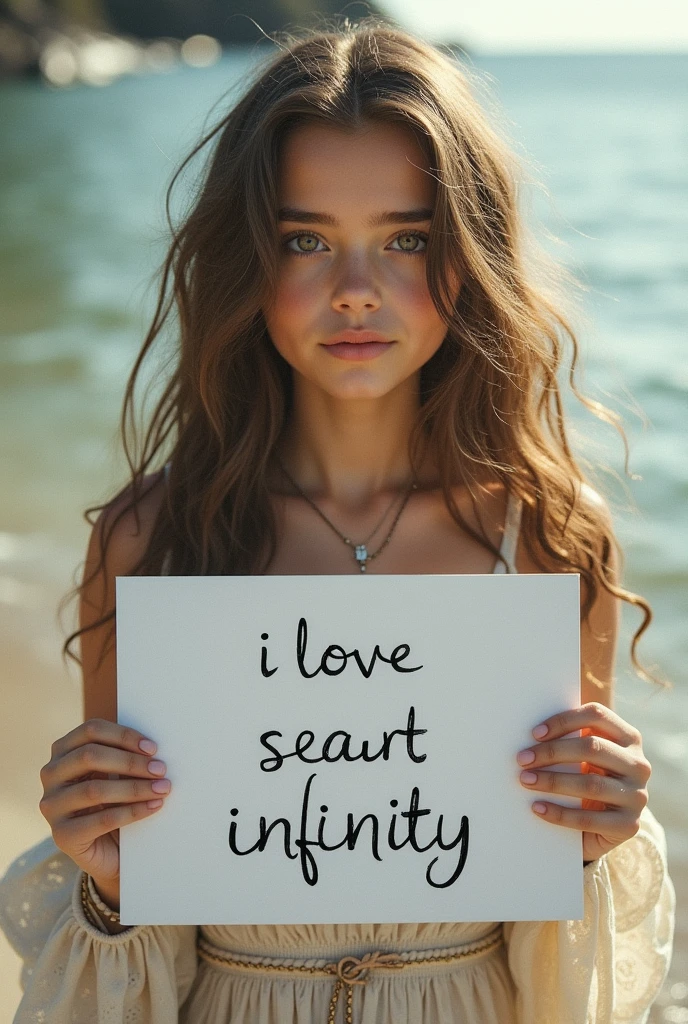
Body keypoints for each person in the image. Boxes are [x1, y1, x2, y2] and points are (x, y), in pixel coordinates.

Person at [0, 20, 675, 1024]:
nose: (355, 289)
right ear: (245, 261)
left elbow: (558, 972)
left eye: (406, 238)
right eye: (304, 239)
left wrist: (599, 838)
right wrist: (105, 877)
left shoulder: (542, 534)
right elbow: (140, 953)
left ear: (468, 257)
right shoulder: (153, 540)